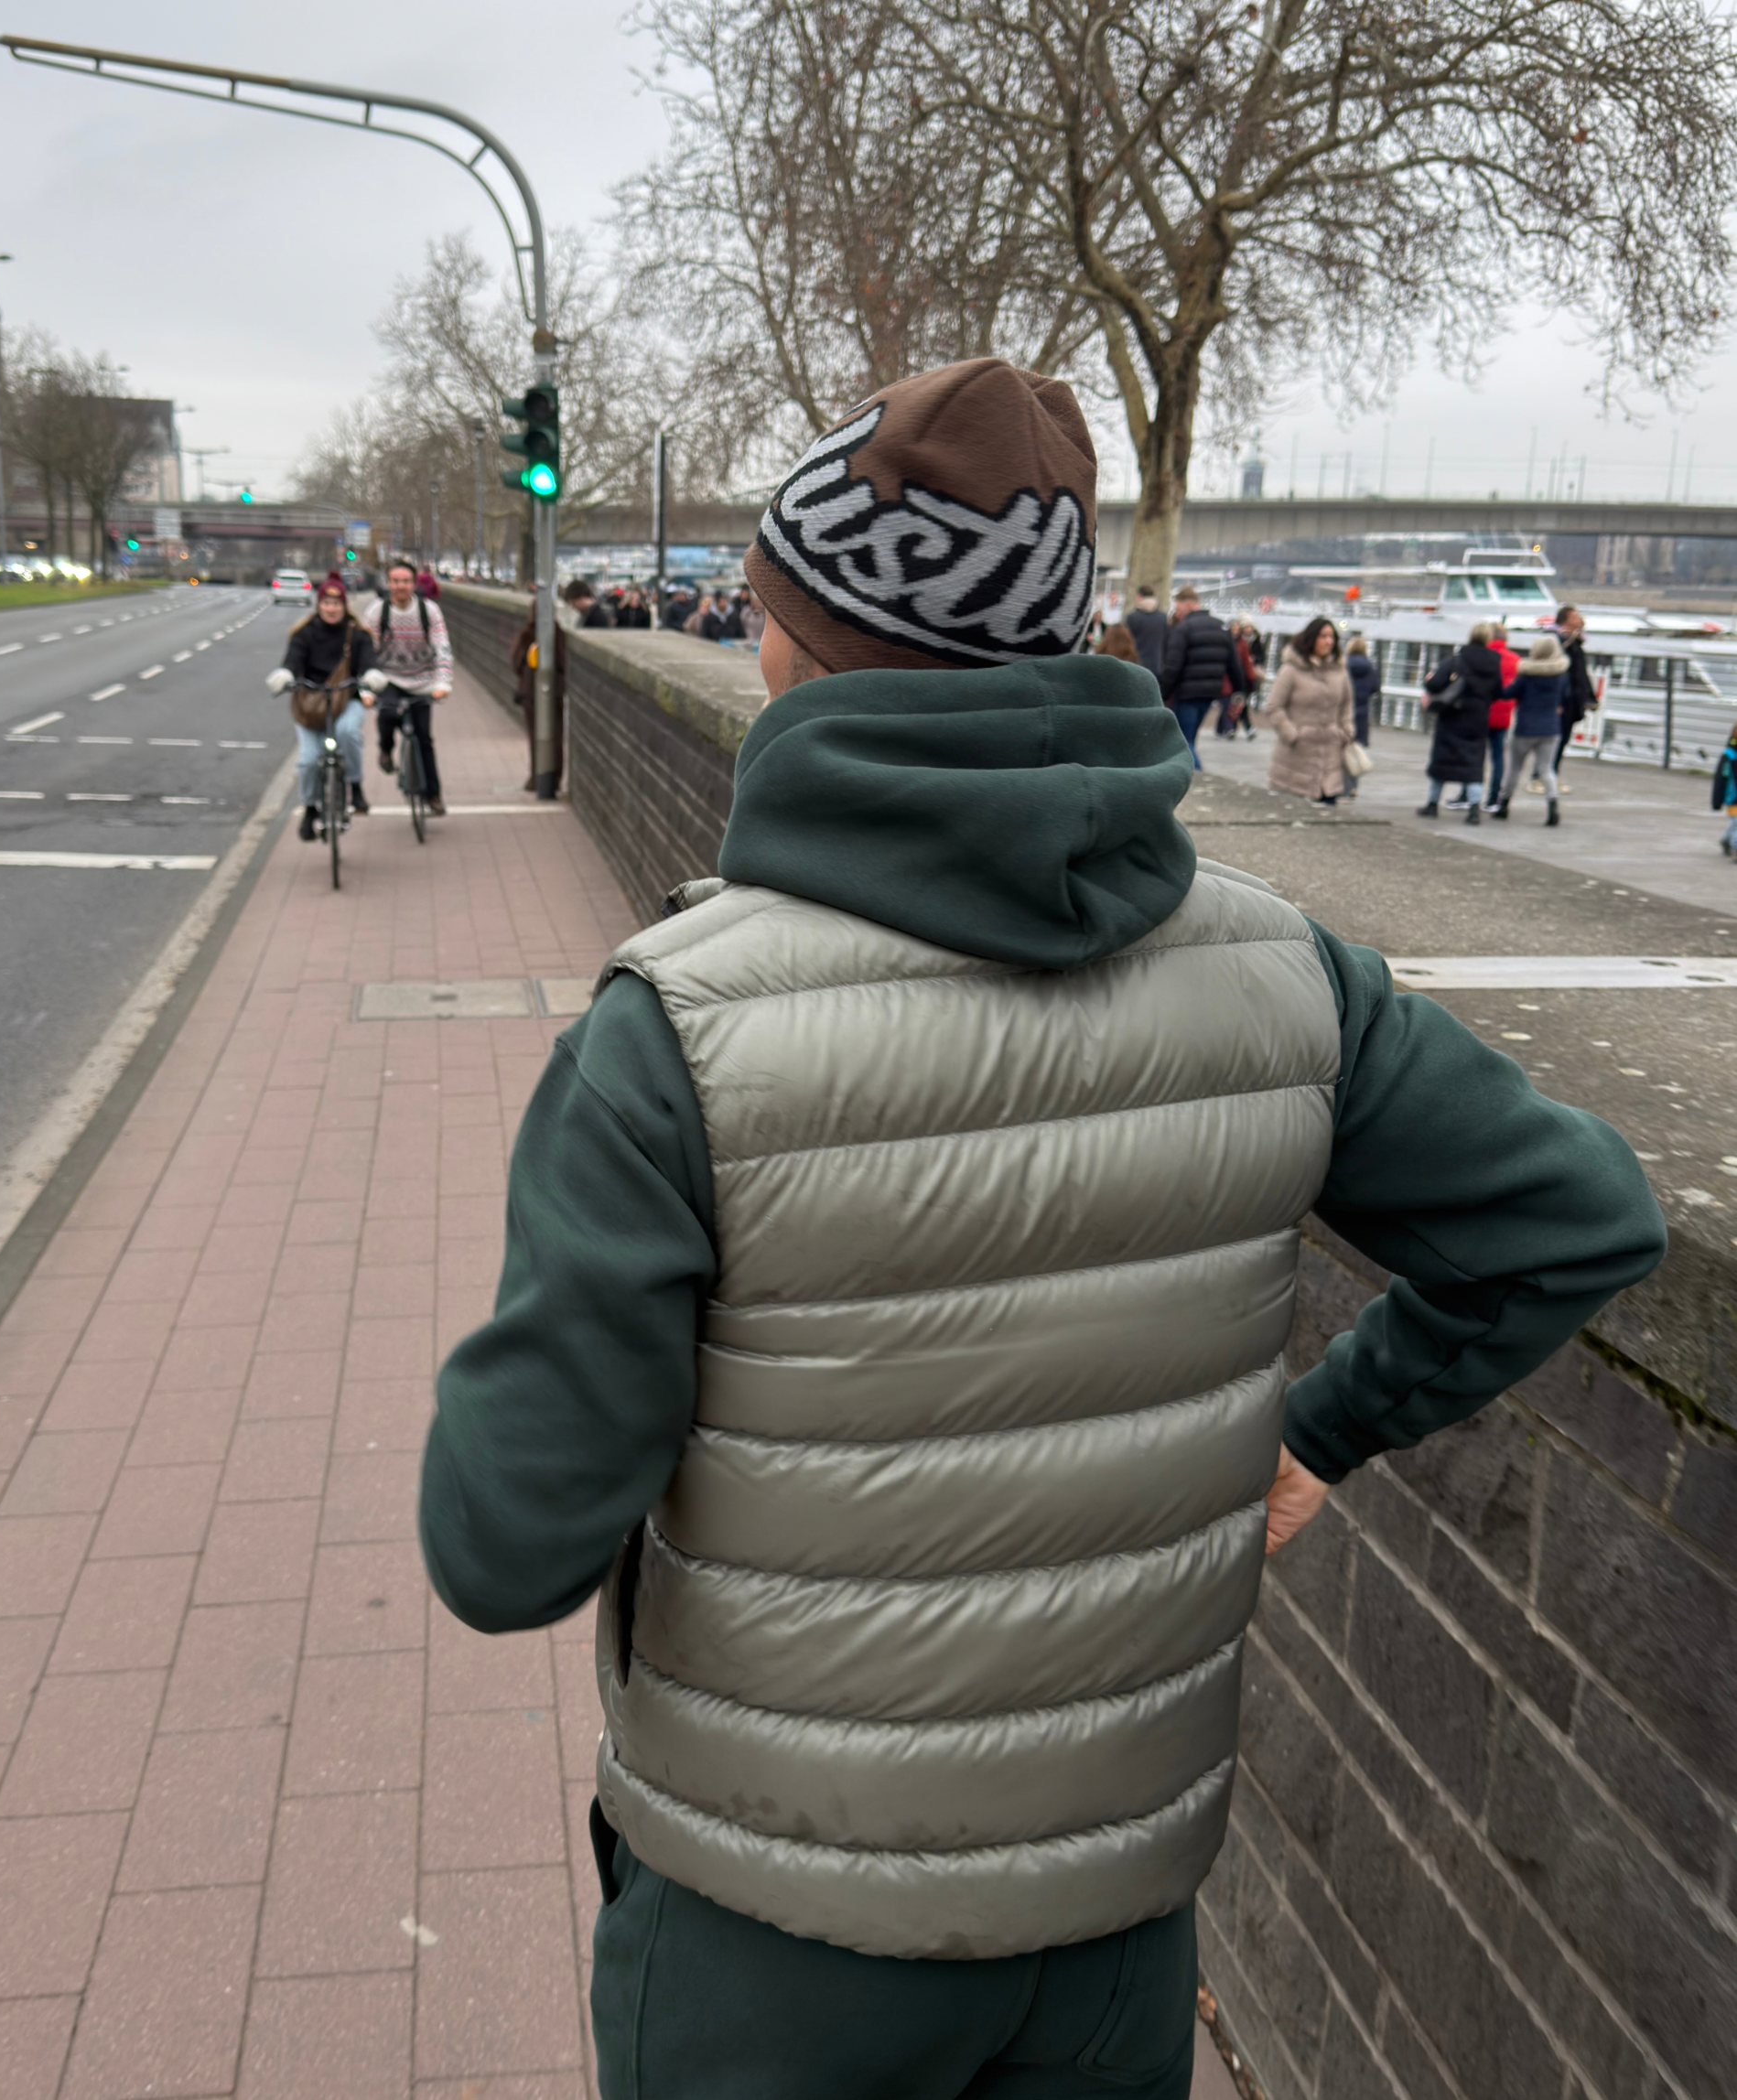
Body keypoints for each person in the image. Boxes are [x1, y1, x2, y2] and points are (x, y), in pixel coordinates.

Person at [418, 354, 1664, 2100]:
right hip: (1117, 1932)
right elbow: (1580, 1218)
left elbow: (501, 1547)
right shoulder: (1288, 972)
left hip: (774, 1929)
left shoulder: (675, 1035)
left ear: (793, 643)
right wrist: (1317, 1433)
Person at [270, 574, 372, 839]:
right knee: (307, 762)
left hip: (346, 699)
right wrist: (286, 676)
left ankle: (355, 785)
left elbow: (368, 663)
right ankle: (310, 808)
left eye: (336, 603)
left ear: (344, 605)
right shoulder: (305, 633)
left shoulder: (357, 634)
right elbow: (293, 660)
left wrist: (371, 677)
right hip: (310, 705)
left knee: (348, 732)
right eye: (326, 603)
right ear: (319, 605)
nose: (331, 608)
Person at [372, 556, 452, 816]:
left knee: (424, 739)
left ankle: (433, 794)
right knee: (387, 713)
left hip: (422, 681)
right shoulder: (377, 612)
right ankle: (386, 749)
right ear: (388, 583)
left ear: (414, 584)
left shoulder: (429, 612)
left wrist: (442, 682)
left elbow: (442, 649)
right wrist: (366, 689)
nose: (400, 586)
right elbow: (367, 654)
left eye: (405, 581)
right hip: (389, 679)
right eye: (395, 581)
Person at [1261, 615, 1355, 808]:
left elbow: (1346, 704)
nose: (1329, 641)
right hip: (1296, 757)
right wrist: (1292, 734)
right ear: (1311, 639)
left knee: (1328, 813)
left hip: (1330, 757)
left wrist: (1346, 731)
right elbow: (1274, 707)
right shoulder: (1291, 670)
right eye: (1323, 636)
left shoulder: (1340, 672)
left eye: (1332, 637)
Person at [1420, 622, 1503, 824]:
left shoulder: (1457, 660)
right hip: (1478, 720)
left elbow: (1434, 683)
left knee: (1442, 762)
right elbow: (1498, 692)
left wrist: (1428, 679)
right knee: (1474, 766)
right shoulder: (1494, 664)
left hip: (1452, 718)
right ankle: (1474, 811)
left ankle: (1432, 804)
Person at [1159, 586, 1246, 764]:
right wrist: (1239, 692)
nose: (1176, 612)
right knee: (1190, 737)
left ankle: (1198, 773)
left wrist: (1162, 694)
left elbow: (1173, 666)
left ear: (1187, 604)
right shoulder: (1221, 627)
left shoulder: (1184, 629)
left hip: (1186, 693)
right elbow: (1234, 664)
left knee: (1183, 742)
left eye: (1178, 607)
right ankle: (1193, 772)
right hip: (1211, 692)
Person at [1496, 630, 1570, 825]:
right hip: (1551, 728)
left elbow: (1508, 693)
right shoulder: (1561, 675)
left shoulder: (1527, 674)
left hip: (1525, 728)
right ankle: (1553, 806)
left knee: (1515, 768)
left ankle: (1504, 804)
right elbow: (1565, 696)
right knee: (1546, 769)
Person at [512, 587, 567, 796]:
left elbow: (515, 662)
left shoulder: (527, 634)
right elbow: (563, 662)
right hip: (554, 693)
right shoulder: (558, 634)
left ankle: (537, 776)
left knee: (536, 736)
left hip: (530, 693)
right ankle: (555, 777)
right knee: (556, 736)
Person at [1554, 606, 1594, 791]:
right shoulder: (1560, 641)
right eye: (1575, 616)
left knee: (1563, 739)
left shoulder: (1576, 642)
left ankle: (1551, 774)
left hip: (1573, 699)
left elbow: (1581, 674)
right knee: (1555, 739)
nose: (1580, 619)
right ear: (1565, 620)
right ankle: (1543, 775)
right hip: (1562, 699)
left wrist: (1589, 696)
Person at [1482, 626, 1521, 811]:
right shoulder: (1515, 659)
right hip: (1504, 714)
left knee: (1476, 755)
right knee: (1498, 757)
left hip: (1481, 712)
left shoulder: (1485, 657)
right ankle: (1493, 798)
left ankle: (1469, 794)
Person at [1344, 631, 1379, 794]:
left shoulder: (1343, 665)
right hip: (1361, 711)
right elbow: (1375, 688)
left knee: (1342, 749)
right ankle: (1353, 786)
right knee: (1355, 749)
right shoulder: (1370, 667)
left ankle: (1343, 787)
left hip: (1343, 710)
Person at [1124, 583, 1169, 675]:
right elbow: (1166, 642)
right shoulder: (1163, 617)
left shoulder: (1132, 617)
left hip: (1136, 666)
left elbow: (1127, 643)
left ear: (1139, 596)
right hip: (1157, 665)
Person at [1713, 724, 1737, 857]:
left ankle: (1726, 840)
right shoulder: (1729, 755)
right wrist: (1717, 801)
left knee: (1735, 824)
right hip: (1733, 795)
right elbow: (1720, 779)